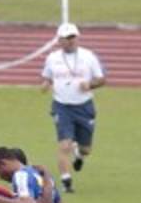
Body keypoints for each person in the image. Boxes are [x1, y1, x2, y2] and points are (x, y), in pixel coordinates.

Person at [41, 23, 106, 193]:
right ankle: (66, 181)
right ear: (59, 41)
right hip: (62, 106)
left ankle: (79, 154)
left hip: (84, 106)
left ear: (78, 38)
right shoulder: (52, 58)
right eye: (66, 38)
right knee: (64, 145)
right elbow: (47, 77)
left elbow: (101, 79)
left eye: (72, 37)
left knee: (86, 149)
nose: (70, 41)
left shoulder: (88, 57)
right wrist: (46, 84)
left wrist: (90, 84)